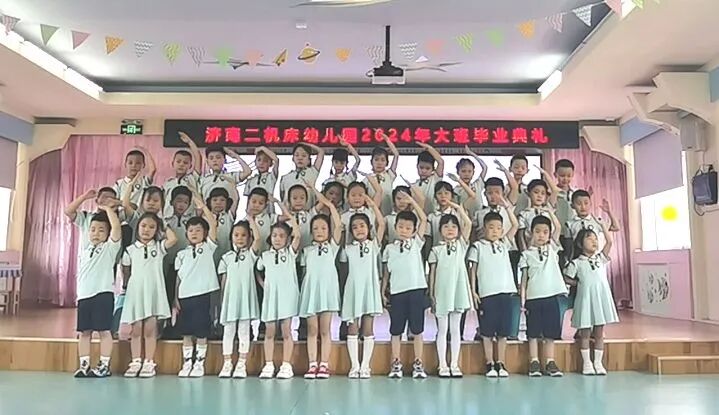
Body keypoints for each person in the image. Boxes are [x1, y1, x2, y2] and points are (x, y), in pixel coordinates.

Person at [467, 196, 519, 378]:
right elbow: (473, 270)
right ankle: (489, 363)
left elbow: (515, 225)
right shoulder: (477, 246)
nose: (495, 231)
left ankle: (501, 362)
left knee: (503, 332)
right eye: (491, 227)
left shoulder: (504, 244)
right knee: (487, 332)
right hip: (487, 293)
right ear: (484, 229)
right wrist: (473, 291)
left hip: (505, 292)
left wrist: (507, 207)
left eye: (498, 228)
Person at [121, 213, 177, 378]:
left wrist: (164, 225)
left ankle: (149, 362)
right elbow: (125, 270)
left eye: (152, 227)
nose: (146, 230)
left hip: (153, 293)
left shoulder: (159, 247)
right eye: (143, 226)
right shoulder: (130, 250)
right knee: (136, 329)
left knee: (151, 329)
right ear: (137, 227)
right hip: (136, 293)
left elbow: (173, 239)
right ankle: (135, 361)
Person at [382, 193, 428, 379]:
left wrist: (412, 202)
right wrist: (383, 290)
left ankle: (418, 363)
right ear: (395, 227)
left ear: (414, 230)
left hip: (416, 290)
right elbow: (386, 272)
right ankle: (396, 363)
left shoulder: (416, 243)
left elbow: (423, 219)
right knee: (396, 330)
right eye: (400, 226)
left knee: (417, 330)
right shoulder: (389, 248)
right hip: (397, 292)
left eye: (408, 228)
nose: (403, 230)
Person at [72, 205, 122, 377]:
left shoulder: (109, 248)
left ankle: (104, 366)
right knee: (84, 332)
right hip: (84, 296)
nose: (96, 233)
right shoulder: (85, 251)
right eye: (93, 229)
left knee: (104, 331)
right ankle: (84, 365)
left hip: (103, 295)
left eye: (101, 230)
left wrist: (108, 209)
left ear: (107, 233)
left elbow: (116, 228)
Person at [173, 195, 220, 377]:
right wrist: (175, 298)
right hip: (185, 296)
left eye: (198, 230)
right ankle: (187, 363)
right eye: (191, 230)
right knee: (186, 332)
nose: (194, 233)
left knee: (201, 331)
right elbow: (178, 278)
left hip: (203, 295)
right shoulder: (181, 254)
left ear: (205, 233)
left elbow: (213, 225)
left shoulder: (208, 247)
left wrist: (204, 208)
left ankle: (199, 363)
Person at [339, 195, 385, 379]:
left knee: (368, 327)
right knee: (352, 328)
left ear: (368, 228)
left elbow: (382, 225)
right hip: (353, 291)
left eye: (362, 226)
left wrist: (372, 204)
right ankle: (354, 366)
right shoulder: (347, 249)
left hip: (369, 289)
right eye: (355, 227)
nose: (359, 229)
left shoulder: (373, 246)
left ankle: (365, 366)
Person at [565, 222, 619, 376]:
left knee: (599, 332)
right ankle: (587, 363)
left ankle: (598, 362)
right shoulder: (576, 263)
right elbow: (567, 278)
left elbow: (609, 242)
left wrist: (602, 226)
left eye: (595, 239)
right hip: (585, 299)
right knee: (585, 332)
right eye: (589, 239)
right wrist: (578, 283)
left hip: (600, 298)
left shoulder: (600, 258)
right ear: (580, 244)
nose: (594, 241)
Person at [300, 189, 343, 379]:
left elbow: (339, 225)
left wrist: (330, 205)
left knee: (325, 330)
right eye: (316, 228)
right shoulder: (307, 251)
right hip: (311, 292)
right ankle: (312, 364)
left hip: (327, 292)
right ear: (311, 232)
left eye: (323, 228)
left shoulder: (332, 247)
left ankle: (324, 364)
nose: (319, 231)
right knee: (312, 329)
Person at [257, 200, 301, 379]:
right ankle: (268, 365)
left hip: (287, 297)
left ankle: (286, 365)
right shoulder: (265, 256)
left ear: (287, 239)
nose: (277, 238)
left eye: (281, 236)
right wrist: (263, 284)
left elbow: (297, 234)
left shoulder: (290, 253)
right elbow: (257, 271)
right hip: (271, 297)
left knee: (286, 331)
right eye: (274, 235)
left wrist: (282, 208)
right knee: (269, 332)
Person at [519, 213, 567, 378]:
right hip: (533, 298)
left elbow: (558, 227)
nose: (541, 235)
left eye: (545, 232)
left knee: (550, 333)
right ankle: (534, 362)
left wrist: (549, 212)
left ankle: (550, 361)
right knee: (533, 332)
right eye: (537, 231)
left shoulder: (552, 248)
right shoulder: (526, 254)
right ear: (530, 233)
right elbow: (524, 280)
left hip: (551, 296)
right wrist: (523, 300)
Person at [428, 202, 473, 378]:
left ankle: (454, 364)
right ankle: (442, 365)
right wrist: (432, 294)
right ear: (440, 230)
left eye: (454, 226)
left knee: (455, 330)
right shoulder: (436, 250)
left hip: (458, 292)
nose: (450, 229)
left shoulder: (461, 245)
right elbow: (432, 273)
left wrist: (456, 207)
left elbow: (468, 223)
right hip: (441, 292)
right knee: (442, 329)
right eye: (446, 227)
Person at [217, 218, 262, 378]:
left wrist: (251, 219)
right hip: (230, 300)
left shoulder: (251, 255)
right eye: (236, 235)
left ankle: (242, 363)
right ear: (231, 237)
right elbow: (223, 281)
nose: (240, 238)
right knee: (228, 331)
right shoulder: (226, 257)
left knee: (244, 331)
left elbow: (258, 239)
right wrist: (222, 300)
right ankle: (227, 363)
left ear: (249, 237)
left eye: (244, 235)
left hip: (245, 300)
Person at [65, 187, 120, 260]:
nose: (108, 201)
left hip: (107, 261)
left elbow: (132, 209)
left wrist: (118, 203)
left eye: (111, 199)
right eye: (104, 197)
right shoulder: (87, 217)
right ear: (97, 200)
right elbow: (68, 211)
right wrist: (84, 197)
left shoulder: (116, 220)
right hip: (87, 260)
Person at [565, 191, 620, 257]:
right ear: (572, 205)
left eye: (586, 203)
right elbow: (568, 245)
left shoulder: (597, 221)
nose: (583, 207)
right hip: (578, 258)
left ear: (590, 204)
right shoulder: (569, 224)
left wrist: (609, 212)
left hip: (595, 258)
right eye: (579, 204)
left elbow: (616, 227)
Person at [426, 179, 476, 248]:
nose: (443, 196)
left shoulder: (458, 212)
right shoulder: (431, 216)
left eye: (446, 193)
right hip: (437, 250)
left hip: (457, 250)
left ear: (452, 196)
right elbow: (429, 238)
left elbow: (472, 196)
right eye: (439, 193)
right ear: (435, 196)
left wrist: (459, 180)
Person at [516, 172, 559, 251]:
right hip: (532, 250)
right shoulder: (524, 214)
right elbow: (521, 236)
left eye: (543, 193)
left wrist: (545, 173)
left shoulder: (548, 209)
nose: (539, 196)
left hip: (550, 250)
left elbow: (555, 190)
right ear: (528, 193)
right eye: (536, 192)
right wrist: (524, 252)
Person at [199, 145, 250, 212]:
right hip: (208, 215)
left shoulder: (231, 176)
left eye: (218, 157)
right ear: (207, 161)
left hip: (227, 215)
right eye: (211, 158)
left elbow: (247, 172)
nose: (215, 160)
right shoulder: (203, 180)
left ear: (224, 160)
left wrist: (236, 156)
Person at [163, 132, 202, 216]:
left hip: (188, 219)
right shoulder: (168, 183)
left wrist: (189, 142)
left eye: (185, 162)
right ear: (172, 163)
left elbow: (198, 156)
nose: (181, 164)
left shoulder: (192, 178)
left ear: (190, 166)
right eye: (178, 161)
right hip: (169, 219)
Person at [279, 143, 325, 209]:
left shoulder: (312, 172)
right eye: (297, 155)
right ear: (293, 158)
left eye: (304, 155)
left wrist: (304, 143)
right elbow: (283, 197)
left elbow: (321, 151)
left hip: (309, 213)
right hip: (289, 213)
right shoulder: (285, 178)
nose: (300, 158)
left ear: (309, 160)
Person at [364, 134, 399, 216]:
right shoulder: (367, 179)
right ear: (371, 162)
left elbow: (396, 155)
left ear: (387, 163)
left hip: (388, 214)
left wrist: (387, 140)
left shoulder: (389, 175)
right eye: (376, 160)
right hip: (372, 214)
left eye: (383, 160)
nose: (379, 163)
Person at [341, 180, 382, 245]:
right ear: (347, 197)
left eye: (360, 195)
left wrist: (368, 175)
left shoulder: (371, 212)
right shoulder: (342, 217)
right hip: (350, 248)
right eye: (353, 195)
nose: (357, 198)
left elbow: (379, 191)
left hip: (371, 247)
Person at [454, 146, 488, 218]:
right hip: (465, 219)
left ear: (473, 172)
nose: (466, 174)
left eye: (469, 171)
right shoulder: (456, 190)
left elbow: (485, 167)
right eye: (463, 171)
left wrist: (471, 153)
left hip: (480, 219)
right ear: (458, 172)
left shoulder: (477, 184)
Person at [244, 146, 280, 214]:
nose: (261, 163)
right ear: (255, 162)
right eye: (259, 160)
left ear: (270, 164)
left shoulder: (271, 177)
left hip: (268, 213)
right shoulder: (250, 180)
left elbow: (276, 160)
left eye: (265, 161)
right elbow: (248, 200)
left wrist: (262, 148)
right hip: (253, 214)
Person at [413, 142, 445, 214]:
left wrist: (428, 148)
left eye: (427, 168)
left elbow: (441, 162)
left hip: (434, 216)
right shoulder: (414, 185)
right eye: (421, 167)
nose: (424, 171)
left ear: (433, 169)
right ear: (417, 167)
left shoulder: (435, 179)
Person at [244, 187, 278, 253]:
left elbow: (287, 217)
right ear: (248, 201)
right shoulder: (243, 222)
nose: (256, 205)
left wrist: (277, 202)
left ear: (266, 205)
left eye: (261, 203)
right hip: (249, 257)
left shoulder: (269, 217)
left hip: (266, 256)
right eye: (254, 202)